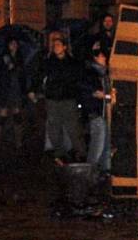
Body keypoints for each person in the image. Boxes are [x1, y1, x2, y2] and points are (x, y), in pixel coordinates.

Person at [42, 35, 84, 164]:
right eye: (54, 45)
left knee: (73, 128)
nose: (56, 48)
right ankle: (60, 153)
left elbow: (76, 79)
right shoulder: (49, 62)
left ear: (65, 47)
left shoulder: (72, 63)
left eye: (59, 45)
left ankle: (80, 152)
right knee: (54, 127)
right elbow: (42, 76)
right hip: (53, 98)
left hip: (68, 98)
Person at [0, 37, 30, 151]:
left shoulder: (20, 58)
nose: (14, 46)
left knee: (17, 114)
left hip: (16, 89)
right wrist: (7, 69)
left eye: (15, 43)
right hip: (5, 89)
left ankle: (18, 141)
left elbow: (23, 74)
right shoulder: (3, 57)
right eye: (11, 44)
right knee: (2, 114)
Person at [82, 44, 111, 178]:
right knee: (97, 146)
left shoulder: (104, 73)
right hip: (96, 113)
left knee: (105, 145)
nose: (104, 58)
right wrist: (106, 95)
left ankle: (104, 172)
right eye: (101, 56)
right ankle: (90, 175)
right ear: (95, 58)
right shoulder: (90, 73)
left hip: (105, 113)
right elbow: (94, 92)